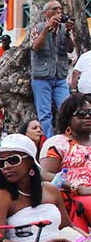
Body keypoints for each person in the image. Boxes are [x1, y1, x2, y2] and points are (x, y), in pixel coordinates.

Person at [40, 93, 91, 227]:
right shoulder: (57, 143)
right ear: (68, 118)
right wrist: (77, 188)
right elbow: (45, 175)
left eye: (90, 112)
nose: (87, 116)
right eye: (81, 114)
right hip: (72, 197)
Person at [31, 0, 74, 138]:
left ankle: (67, 140)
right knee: (45, 114)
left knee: (67, 110)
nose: (59, 12)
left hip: (60, 76)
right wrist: (47, 29)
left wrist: (68, 32)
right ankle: (49, 144)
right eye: (54, 9)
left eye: (60, 9)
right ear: (46, 13)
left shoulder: (63, 29)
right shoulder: (38, 28)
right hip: (42, 77)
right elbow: (35, 47)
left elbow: (70, 48)